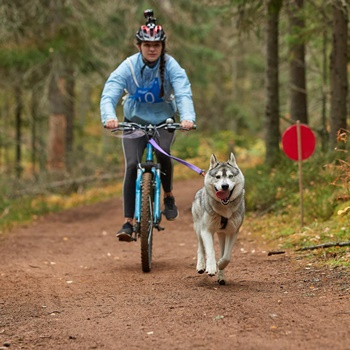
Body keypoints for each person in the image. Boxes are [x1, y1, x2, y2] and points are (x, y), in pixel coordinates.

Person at [100, 9, 196, 242]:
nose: (152, 49)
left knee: (164, 156)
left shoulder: (171, 65)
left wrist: (188, 117)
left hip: (164, 122)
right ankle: (128, 222)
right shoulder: (129, 66)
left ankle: (169, 196)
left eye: (156, 45)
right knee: (132, 165)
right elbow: (110, 92)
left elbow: (183, 92)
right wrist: (108, 116)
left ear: (162, 46)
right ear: (139, 45)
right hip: (133, 122)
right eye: (146, 45)